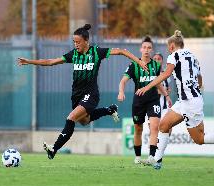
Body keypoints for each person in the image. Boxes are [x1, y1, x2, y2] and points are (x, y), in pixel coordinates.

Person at [17, 24, 147, 160]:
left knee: (71, 118)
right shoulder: (73, 55)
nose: (76, 44)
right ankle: (109, 110)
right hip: (76, 95)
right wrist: (29, 61)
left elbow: (121, 51)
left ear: (86, 41)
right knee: (84, 121)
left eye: (78, 42)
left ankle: (54, 149)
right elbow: (50, 61)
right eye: (74, 42)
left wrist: (138, 61)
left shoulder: (96, 52)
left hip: (91, 94)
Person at [136, 30, 214, 169]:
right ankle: (157, 160)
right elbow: (200, 79)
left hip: (190, 102)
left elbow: (166, 74)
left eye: (168, 47)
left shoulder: (174, 56)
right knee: (164, 125)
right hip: (186, 101)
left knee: (200, 139)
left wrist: (147, 86)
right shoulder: (192, 56)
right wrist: (194, 88)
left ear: (172, 45)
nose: (168, 50)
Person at [118, 36, 172, 164]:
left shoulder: (155, 65)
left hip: (153, 100)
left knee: (154, 127)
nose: (146, 50)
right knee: (138, 129)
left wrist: (166, 95)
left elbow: (158, 83)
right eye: (144, 47)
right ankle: (137, 157)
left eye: (149, 48)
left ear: (152, 50)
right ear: (140, 49)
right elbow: (123, 80)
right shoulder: (134, 65)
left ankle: (151, 157)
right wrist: (121, 91)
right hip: (139, 101)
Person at [153, 52, 172, 118]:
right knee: (154, 127)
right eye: (155, 59)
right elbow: (152, 90)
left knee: (168, 126)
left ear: (162, 61)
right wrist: (164, 91)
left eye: (159, 59)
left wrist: (167, 90)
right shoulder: (149, 73)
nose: (157, 61)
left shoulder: (166, 74)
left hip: (165, 104)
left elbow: (168, 88)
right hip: (154, 104)